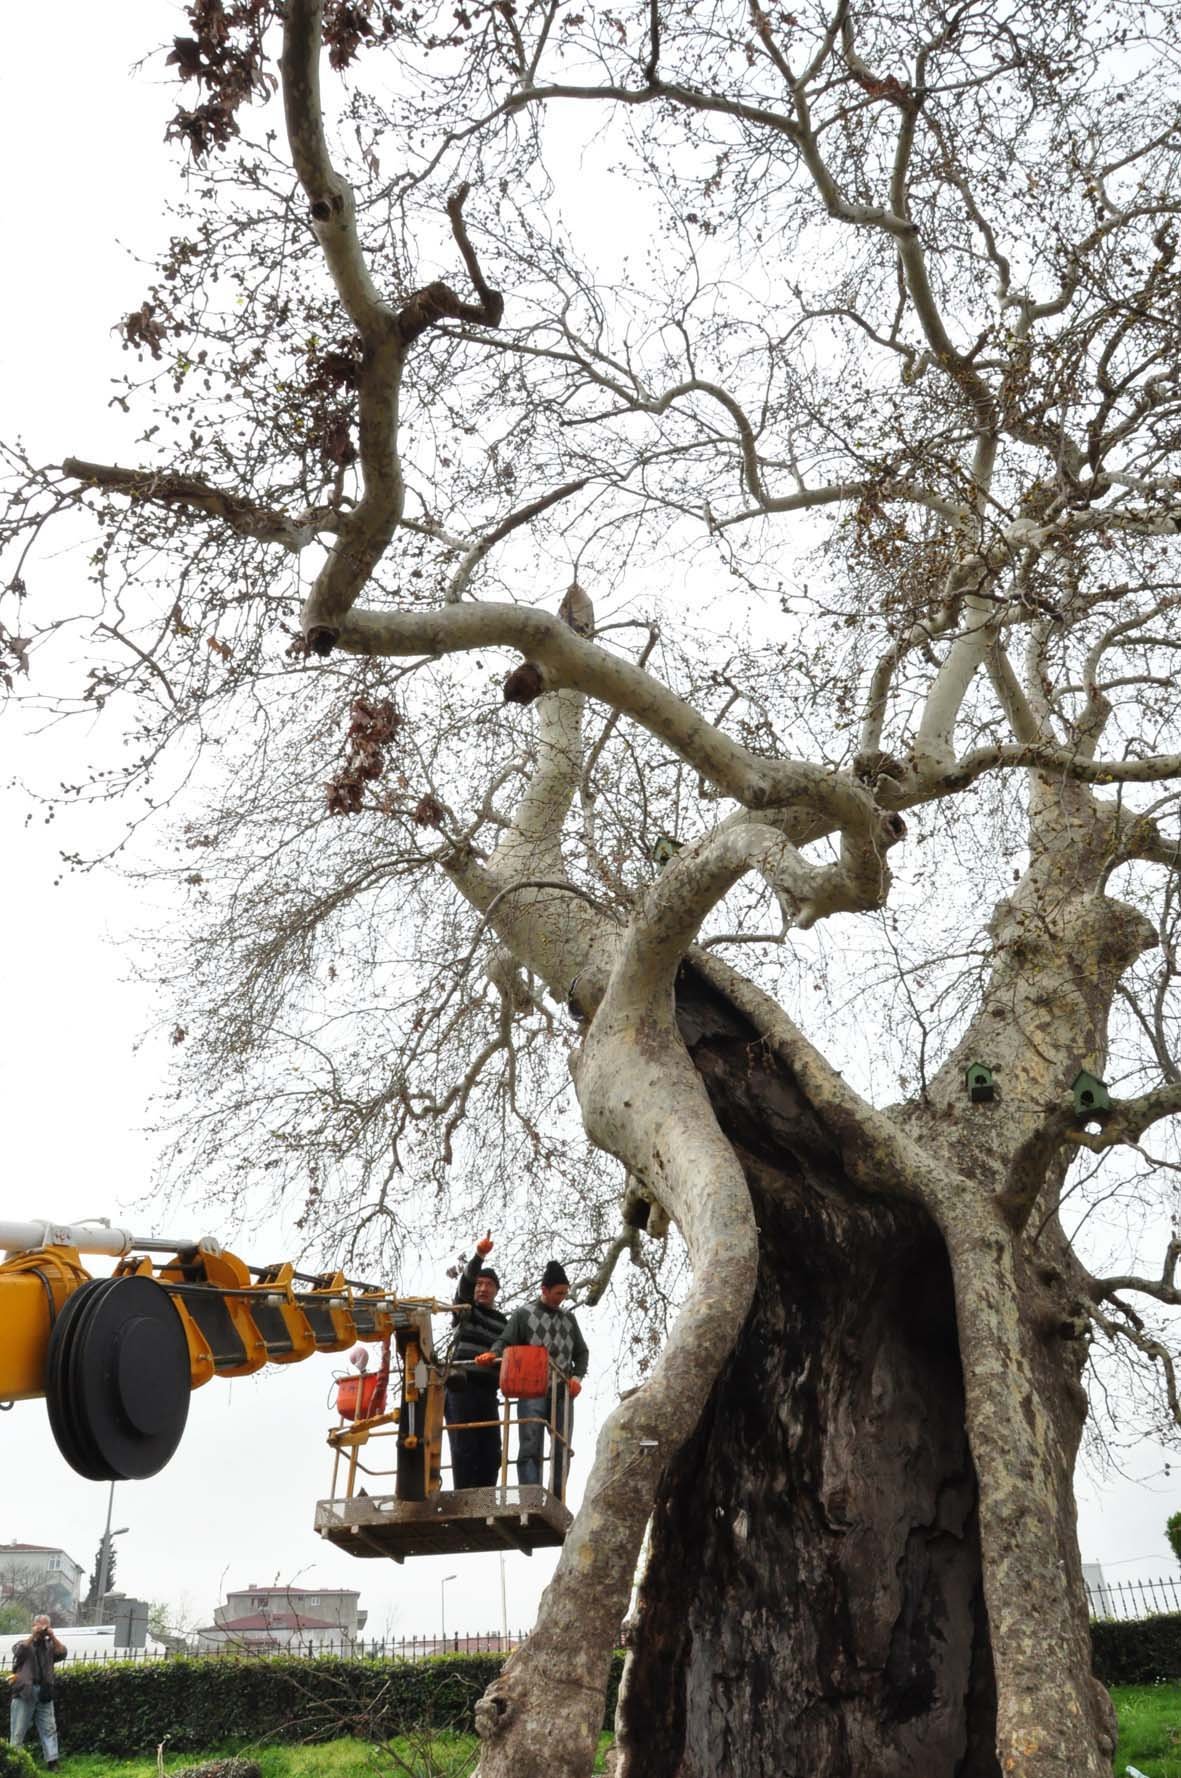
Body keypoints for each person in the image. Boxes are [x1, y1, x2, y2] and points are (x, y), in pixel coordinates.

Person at [480, 1260, 588, 1497]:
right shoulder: (523, 1314)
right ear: (544, 1289)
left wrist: (577, 1378)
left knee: (562, 1447)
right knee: (530, 1443)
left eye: (565, 1293)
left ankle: (557, 1496)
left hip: (562, 1392)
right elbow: (506, 1341)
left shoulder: (569, 1320)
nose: (562, 1297)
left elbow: (582, 1352)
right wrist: (494, 1353)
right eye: (558, 1292)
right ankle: (530, 1495)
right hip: (532, 1388)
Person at [444, 1231, 507, 1489]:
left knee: (492, 1451)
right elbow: (465, 1285)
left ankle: (486, 1497)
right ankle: (464, 1498)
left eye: (488, 1285)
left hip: (487, 1390)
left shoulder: (503, 1323)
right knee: (464, 1447)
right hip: (461, 1385)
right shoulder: (464, 1309)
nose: (482, 1288)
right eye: (479, 1284)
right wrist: (479, 1255)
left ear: (496, 1290)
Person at [9, 1613, 66, 1770]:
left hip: (44, 1691)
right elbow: (18, 1652)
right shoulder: (24, 1643)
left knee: (49, 1727)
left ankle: (52, 1761)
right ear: (33, 1625)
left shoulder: (50, 1646)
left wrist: (52, 1636)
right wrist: (33, 1636)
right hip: (25, 1691)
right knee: (18, 1729)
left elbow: (62, 1653)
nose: (42, 1629)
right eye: (39, 1625)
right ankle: (15, 1761)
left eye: (45, 1625)